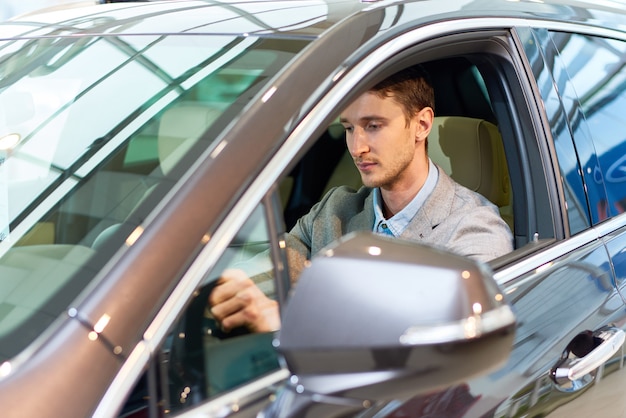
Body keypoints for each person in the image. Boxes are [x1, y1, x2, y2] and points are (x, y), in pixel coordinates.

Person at [209, 65, 514, 333]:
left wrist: (289, 322)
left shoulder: (475, 231)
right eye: (349, 128)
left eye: (373, 126)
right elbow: (271, 270)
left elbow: (442, 338)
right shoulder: (335, 210)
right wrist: (214, 289)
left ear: (421, 125)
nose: (357, 147)